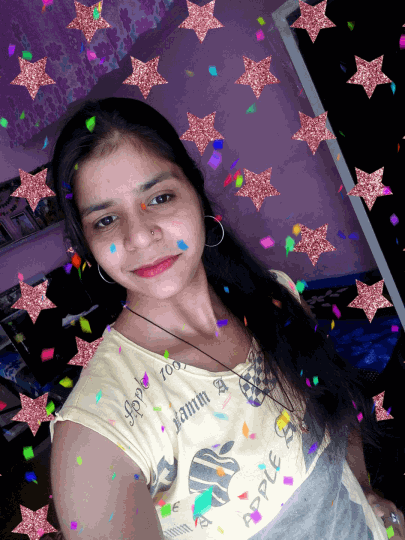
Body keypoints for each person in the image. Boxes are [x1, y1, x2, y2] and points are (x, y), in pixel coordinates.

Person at [48, 98, 403, 540]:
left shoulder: (273, 297)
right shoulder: (96, 435)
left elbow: (335, 405)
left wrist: (367, 494)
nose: (139, 235)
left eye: (159, 198)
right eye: (105, 220)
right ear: (88, 245)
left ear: (196, 193)